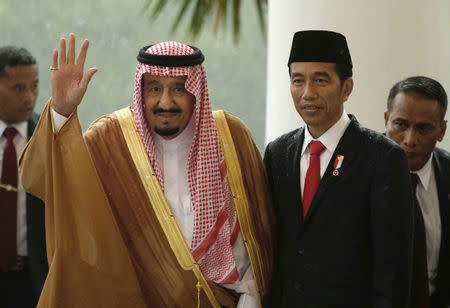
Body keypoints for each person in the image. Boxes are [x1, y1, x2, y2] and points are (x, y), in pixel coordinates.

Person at [19, 33, 273, 308]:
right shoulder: (111, 140)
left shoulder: (229, 137)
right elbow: (43, 179)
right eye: (154, 89)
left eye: (178, 88)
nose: (165, 102)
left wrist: (251, 299)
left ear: (196, 91)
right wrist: (61, 112)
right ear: (141, 91)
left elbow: (258, 232)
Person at [263, 30, 414, 308]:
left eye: (320, 80)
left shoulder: (382, 158)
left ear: (346, 88)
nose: (307, 93)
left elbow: (393, 272)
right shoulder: (278, 153)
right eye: (298, 80)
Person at [385, 76, 449, 308]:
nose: (410, 140)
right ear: (386, 121)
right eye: (401, 124)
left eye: (424, 128)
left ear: (441, 130)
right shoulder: (358, 172)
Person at [0, 46, 48, 308]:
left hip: (33, 280)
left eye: (34, 86)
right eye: (19, 88)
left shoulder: (48, 139)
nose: (29, 98)